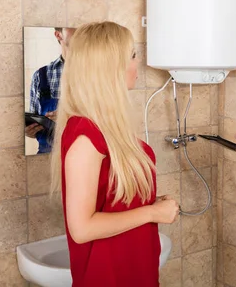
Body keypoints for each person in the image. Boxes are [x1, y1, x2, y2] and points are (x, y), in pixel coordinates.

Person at [50, 21, 180, 286]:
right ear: (111, 68)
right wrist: (152, 214)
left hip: (134, 270)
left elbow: (112, 198)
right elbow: (82, 228)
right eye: (132, 55)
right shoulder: (86, 135)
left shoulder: (108, 127)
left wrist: (147, 203)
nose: (138, 61)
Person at [25, 27, 75, 154]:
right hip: (46, 155)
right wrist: (30, 132)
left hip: (83, 155)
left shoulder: (97, 74)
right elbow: (34, 119)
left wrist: (69, 118)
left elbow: (107, 121)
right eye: (71, 26)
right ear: (58, 35)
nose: (78, 29)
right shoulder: (41, 75)